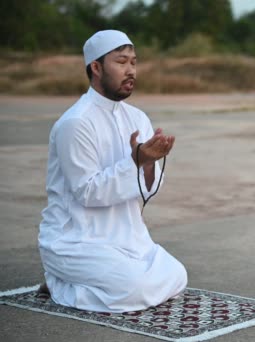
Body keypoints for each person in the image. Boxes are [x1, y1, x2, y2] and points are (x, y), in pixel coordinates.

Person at [38, 30, 187, 313]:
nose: (130, 70)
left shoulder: (137, 117)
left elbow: (148, 190)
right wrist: (135, 160)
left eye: (133, 62)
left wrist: (149, 162)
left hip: (126, 236)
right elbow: (88, 193)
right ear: (96, 67)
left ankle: (85, 282)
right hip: (77, 240)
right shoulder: (76, 122)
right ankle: (59, 283)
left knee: (179, 275)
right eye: (121, 62)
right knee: (136, 289)